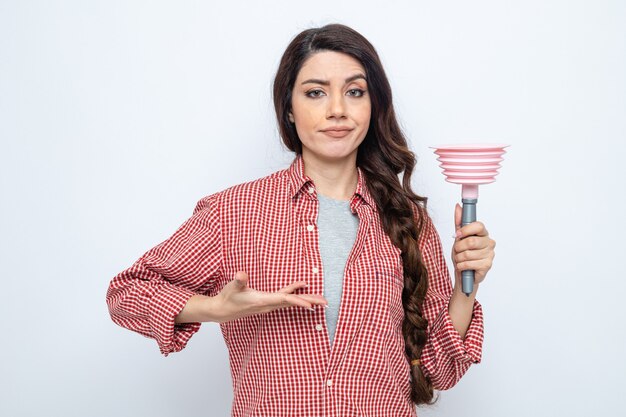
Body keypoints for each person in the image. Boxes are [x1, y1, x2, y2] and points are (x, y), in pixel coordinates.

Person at [106, 23, 495, 416]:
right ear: (289, 108)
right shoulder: (234, 212)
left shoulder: (407, 219)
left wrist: (467, 287)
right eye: (316, 92)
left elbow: (438, 371)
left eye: (355, 91)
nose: (337, 109)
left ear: (373, 104)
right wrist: (213, 308)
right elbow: (126, 293)